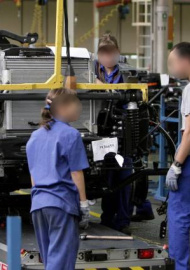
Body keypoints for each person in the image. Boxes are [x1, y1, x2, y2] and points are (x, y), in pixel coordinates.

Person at [26, 88, 90, 270]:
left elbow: (33, 174)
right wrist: (83, 204)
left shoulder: (35, 135)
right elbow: (76, 173)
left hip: (38, 205)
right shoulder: (71, 134)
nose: (79, 107)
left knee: (50, 260)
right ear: (63, 107)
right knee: (61, 263)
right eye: (75, 103)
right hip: (61, 205)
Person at [94, 34, 131, 233]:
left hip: (122, 131)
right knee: (106, 176)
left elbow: (125, 95)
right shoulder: (92, 71)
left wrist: (104, 87)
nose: (108, 57)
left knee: (124, 178)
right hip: (101, 131)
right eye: (104, 53)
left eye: (111, 52)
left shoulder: (125, 72)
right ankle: (107, 218)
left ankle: (123, 220)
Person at [166, 42, 190, 270]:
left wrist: (176, 164)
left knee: (179, 212)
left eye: (173, 63)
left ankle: (180, 266)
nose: (171, 68)